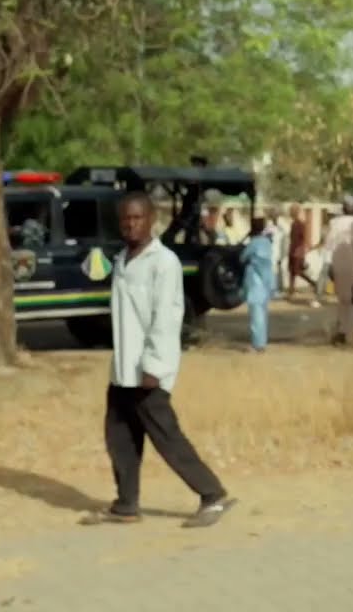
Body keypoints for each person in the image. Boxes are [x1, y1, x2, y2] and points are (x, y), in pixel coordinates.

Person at [90, 192, 234, 527]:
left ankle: (213, 495)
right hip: (123, 369)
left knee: (166, 436)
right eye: (125, 219)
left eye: (137, 218)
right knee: (119, 437)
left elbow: (167, 318)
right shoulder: (121, 259)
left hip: (148, 370)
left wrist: (154, 366)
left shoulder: (163, 262)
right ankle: (126, 504)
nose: (130, 224)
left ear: (151, 219)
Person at [325, 196, 353, 346]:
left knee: (343, 299)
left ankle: (343, 331)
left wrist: (329, 265)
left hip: (338, 263)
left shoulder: (334, 223)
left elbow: (329, 245)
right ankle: (350, 333)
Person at [241, 217, 274, 352]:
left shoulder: (253, 243)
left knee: (256, 315)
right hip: (266, 282)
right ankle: (262, 342)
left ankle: (257, 344)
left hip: (255, 282)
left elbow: (242, 257)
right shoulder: (267, 242)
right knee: (263, 313)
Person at [286, 203, 319, 303]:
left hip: (298, 251)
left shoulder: (300, 224)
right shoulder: (294, 224)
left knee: (297, 271)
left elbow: (303, 238)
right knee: (292, 271)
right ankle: (291, 292)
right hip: (293, 249)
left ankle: (313, 283)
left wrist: (304, 249)